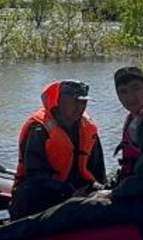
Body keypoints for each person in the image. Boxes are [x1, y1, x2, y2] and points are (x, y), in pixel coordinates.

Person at [0, 66, 143, 240]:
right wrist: (106, 188)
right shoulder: (141, 118)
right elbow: (132, 172)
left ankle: (0, 238)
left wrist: (112, 193)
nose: (130, 97)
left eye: (136, 89)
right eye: (124, 92)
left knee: (75, 208)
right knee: (77, 202)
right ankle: (18, 232)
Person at [11, 79, 106, 217]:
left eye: (84, 102)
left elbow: (98, 171)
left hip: (78, 193)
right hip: (42, 195)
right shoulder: (38, 130)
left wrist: (100, 189)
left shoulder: (88, 129)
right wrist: (69, 193)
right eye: (75, 101)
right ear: (59, 101)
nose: (80, 107)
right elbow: (36, 177)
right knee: (31, 191)